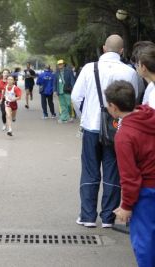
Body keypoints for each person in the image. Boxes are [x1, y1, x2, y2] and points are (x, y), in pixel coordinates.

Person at [71, 34, 140, 228]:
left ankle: (87, 216)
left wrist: (85, 115)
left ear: (103, 48)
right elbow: (132, 101)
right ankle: (108, 217)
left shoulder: (88, 69)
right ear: (122, 51)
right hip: (117, 128)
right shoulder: (130, 72)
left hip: (91, 127)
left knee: (90, 171)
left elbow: (76, 97)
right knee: (112, 170)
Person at [104, 80, 155, 267]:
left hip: (147, 191)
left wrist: (126, 205)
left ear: (113, 107)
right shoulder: (149, 115)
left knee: (145, 243)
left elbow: (130, 176)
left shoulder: (125, 135)